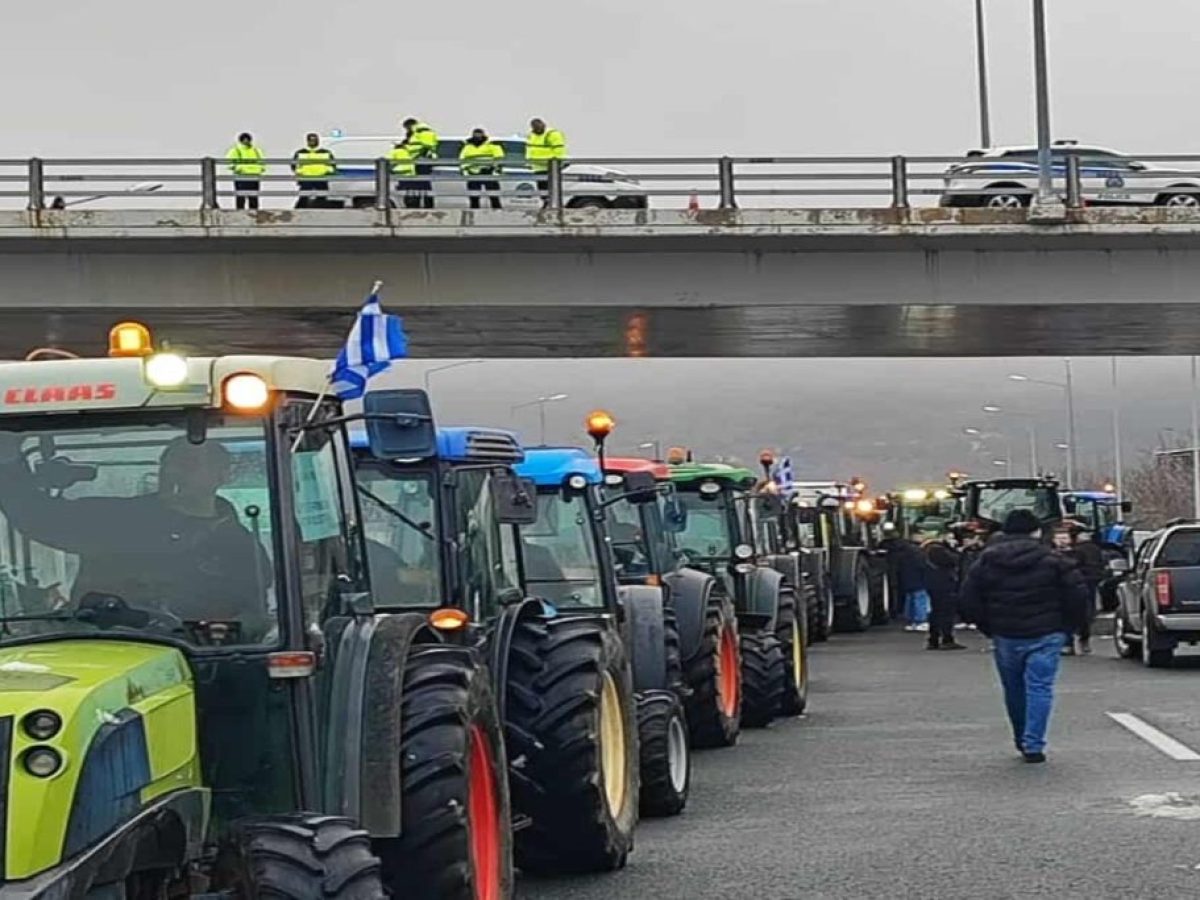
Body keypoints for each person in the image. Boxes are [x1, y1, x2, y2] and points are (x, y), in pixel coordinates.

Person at [0, 435, 271, 633]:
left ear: (222, 475)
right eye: (169, 465)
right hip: (105, 648)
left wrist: (228, 632)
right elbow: (36, 517)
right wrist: (9, 456)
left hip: (201, 660)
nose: (175, 473)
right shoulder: (118, 520)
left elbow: (254, 613)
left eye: (189, 465)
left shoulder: (239, 545)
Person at [960, 509, 1090, 763]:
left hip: (1006, 635)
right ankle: (1034, 743)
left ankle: (1021, 737)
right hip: (1046, 633)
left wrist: (988, 626)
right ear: (1037, 531)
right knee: (1039, 688)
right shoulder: (1054, 560)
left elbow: (968, 599)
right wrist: (1068, 628)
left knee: (1014, 689)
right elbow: (1077, 595)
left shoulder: (986, 561)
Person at [1058, 525, 1105, 655]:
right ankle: (1084, 641)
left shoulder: (1076, 551)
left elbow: (1070, 565)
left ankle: (1068, 643)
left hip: (1075, 583)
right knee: (1086, 613)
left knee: (1068, 613)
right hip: (1091, 582)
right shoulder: (1094, 548)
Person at [880, 522, 929, 632]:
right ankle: (921, 620)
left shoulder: (890, 548)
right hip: (918, 577)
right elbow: (922, 564)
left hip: (906, 576)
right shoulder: (915, 550)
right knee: (920, 598)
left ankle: (912, 621)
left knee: (910, 598)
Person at [924, 539, 966, 650]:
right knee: (946, 613)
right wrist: (956, 550)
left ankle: (933, 639)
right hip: (945, 585)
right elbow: (954, 560)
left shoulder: (927, 554)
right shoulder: (938, 551)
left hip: (934, 585)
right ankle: (947, 638)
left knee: (936, 612)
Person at [459, 128, 505, 210]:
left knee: (494, 196)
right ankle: (474, 214)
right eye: (475, 135)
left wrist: (496, 170)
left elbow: (499, 159)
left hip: (488, 172)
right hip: (473, 173)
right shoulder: (467, 147)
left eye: (479, 134)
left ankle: (497, 213)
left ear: (483, 135)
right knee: (474, 197)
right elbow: (462, 160)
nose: (477, 137)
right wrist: (465, 171)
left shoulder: (492, 145)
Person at [526, 118, 567, 203]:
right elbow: (529, 148)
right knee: (542, 189)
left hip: (550, 166)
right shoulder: (531, 135)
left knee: (552, 189)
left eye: (538, 126)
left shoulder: (552, 134)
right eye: (535, 127)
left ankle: (552, 205)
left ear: (543, 125)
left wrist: (557, 162)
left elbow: (559, 150)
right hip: (537, 167)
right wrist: (529, 161)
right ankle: (546, 203)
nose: (537, 129)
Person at [401, 118, 439, 209]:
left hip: (421, 162)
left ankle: (424, 205)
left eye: (406, 128)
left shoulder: (421, 132)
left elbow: (424, 146)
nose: (406, 130)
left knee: (422, 185)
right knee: (419, 185)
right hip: (419, 162)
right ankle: (418, 204)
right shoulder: (419, 133)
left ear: (409, 126)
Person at [291, 133, 336, 209]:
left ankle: (321, 211)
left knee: (322, 196)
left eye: (314, 140)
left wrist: (327, 171)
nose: (312, 142)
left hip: (321, 177)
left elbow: (333, 165)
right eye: (311, 140)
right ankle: (299, 211)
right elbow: (294, 165)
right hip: (306, 178)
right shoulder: (300, 152)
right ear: (307, 141)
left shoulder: (326, 152)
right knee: (303, 197)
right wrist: (299, 172)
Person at [226, 132, 265, 210]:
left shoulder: (256, 150)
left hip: (254, 176)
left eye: (247, 139)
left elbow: (262, 162)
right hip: (241, 176)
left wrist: (260, 169)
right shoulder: (236, 150)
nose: (246, 141)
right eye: (244, 139)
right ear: (241, 140)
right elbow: (230, 163)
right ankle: (240, 212)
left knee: (253, 197)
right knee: (241, 197)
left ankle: (254, 212)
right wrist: (240, 169)